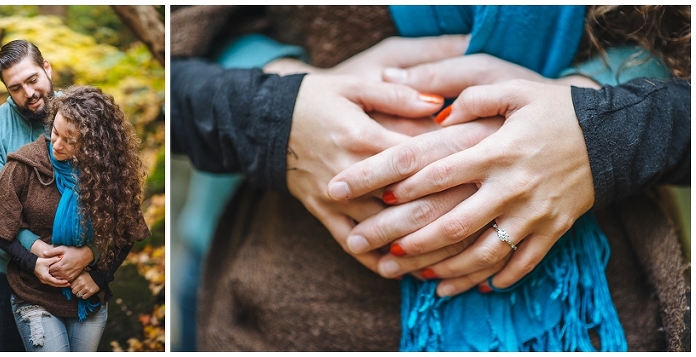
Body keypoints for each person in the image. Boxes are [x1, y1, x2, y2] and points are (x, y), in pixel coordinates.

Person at [171, 5, 689, 351]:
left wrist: (606, 128)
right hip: (284, 301)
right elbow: (168, 62)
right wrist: (277, 108)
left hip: (617, 304)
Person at [0, 85, 151, 351]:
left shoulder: (110, 176)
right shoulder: (26, 164)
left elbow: (126, 232)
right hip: (33, 293)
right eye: (55, 132)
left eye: (70, 140)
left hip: (86, 293)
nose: (57, 144)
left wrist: (100, 275)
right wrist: (32, 260)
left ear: (94, 144)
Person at [0, 39, 94, 352]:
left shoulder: (81, 114)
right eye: (15, 88)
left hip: (76, 266)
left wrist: (91, 253)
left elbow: (107, 193)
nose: (29, 93)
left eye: (32, 79)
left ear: (47, 68)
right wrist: (36, 252)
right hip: (4, 269)